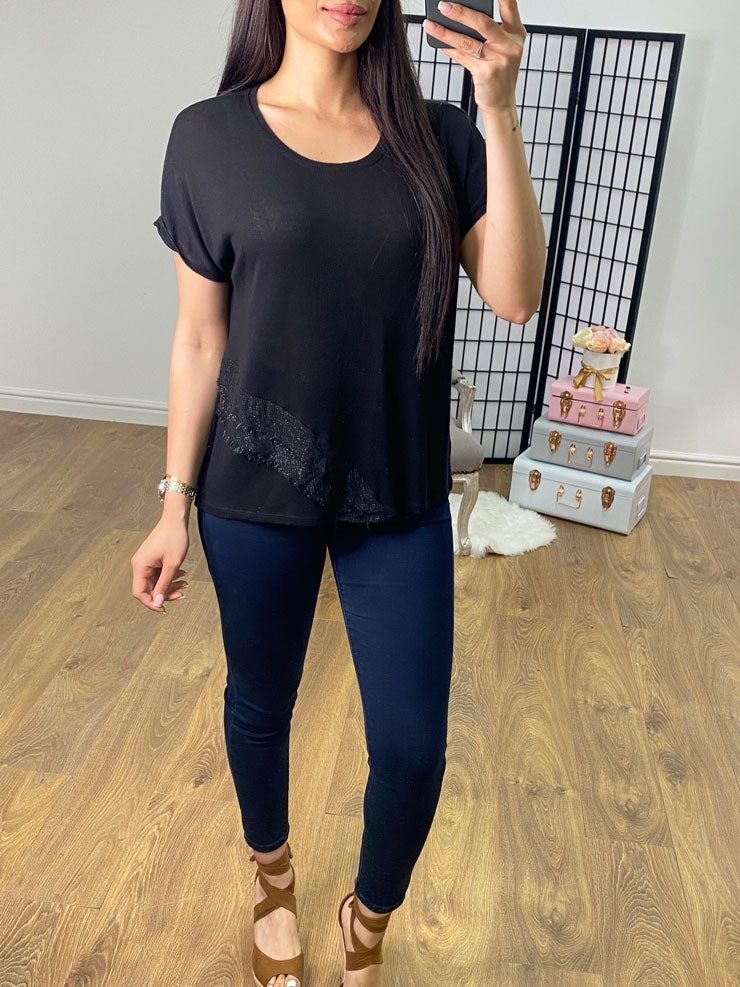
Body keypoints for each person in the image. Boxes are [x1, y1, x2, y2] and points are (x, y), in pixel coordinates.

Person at [131, 0, 542, 982]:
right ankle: (272, 883)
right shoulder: (208, 137)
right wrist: (172, 502)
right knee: (259, 702)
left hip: (396, 491)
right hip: (252, 488)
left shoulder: (439, 136)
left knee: (411, 749)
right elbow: (199, 340)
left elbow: (515, 296)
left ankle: (368, 924)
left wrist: (496, 109)